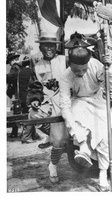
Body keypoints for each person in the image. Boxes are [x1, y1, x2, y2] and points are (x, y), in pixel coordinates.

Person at [59, 42, 112, 192]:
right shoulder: (65, 77)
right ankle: (84, 147)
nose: (80, 73)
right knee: (74, 112)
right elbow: (65, 106)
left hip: (98, 101)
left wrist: (109, 67)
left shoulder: (96, 65)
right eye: (76, 70)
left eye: (83, 69)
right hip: (79, 101)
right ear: (69, 64)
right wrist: (78, 135)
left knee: (104, 135)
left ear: (88, 63)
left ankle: (102, 174)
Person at [21, 30, 69, 183]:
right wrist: (35, 99)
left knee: (60, 138)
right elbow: (34, 86)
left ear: (56, 47)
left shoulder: (64, 60)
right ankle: (50, 134)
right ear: (41, 47)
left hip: (63, 102)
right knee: (33, 115)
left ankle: (53, 165)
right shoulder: (37, 63)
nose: (49, 49)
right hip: (46, 102)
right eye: (46, 46)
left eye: (52, 46)